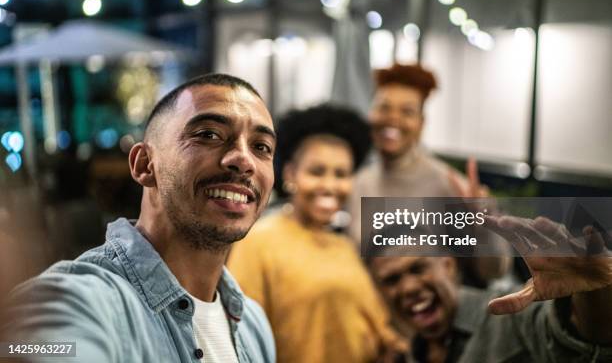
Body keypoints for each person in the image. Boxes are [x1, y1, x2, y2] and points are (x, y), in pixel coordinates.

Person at [1, 74, 276, 362]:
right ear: (144, 164)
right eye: (208, 134)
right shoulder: (73, 302)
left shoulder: (253, 325)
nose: (244, 160)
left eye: (261, 147)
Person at [228, 105, 406, 363]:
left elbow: (376, 326)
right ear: (290, 174)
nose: (330, 185)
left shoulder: (343, 245)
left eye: (341, 174)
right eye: (317, 172)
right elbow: (242, 337)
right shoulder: (260, 241)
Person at [348, 63, 508, 287]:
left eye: (407, 111)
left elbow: (494, 271)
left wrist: (483, 223)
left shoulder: (450, 185)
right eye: (384, 107)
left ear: (421, 124)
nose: (392, 118)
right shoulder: (358, 183)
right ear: (371, 113)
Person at [368, 217, 612, 362]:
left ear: (448, 265)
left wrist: (592, 294)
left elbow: (575, 340)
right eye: (391, 280)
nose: (408, 287)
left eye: (418, 268)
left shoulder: (508, 316)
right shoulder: (411, 351)